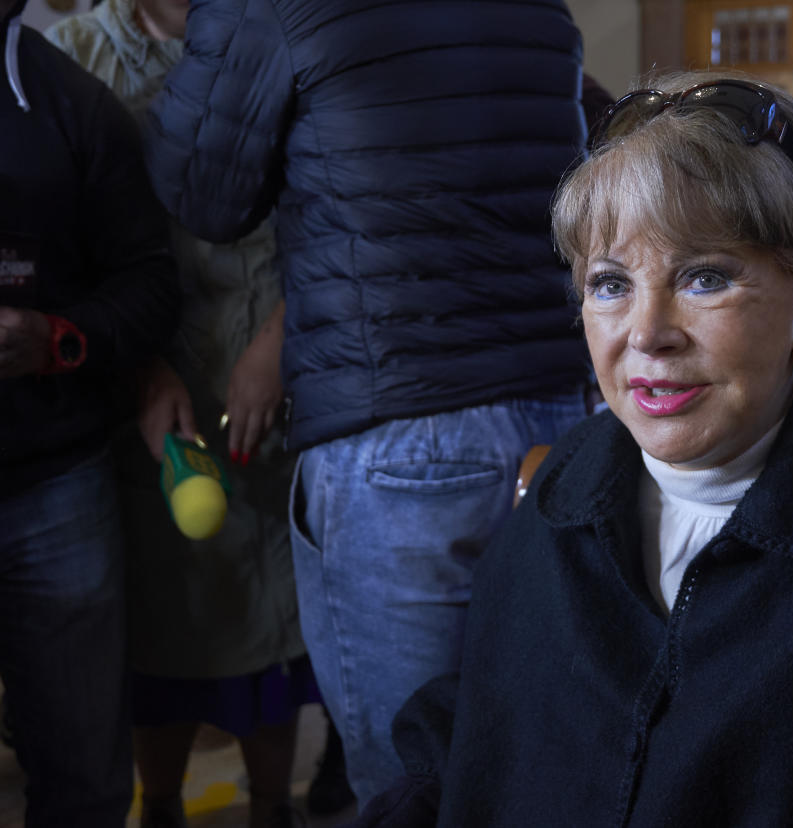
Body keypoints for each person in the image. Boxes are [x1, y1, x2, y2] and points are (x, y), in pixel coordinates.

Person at [350, 71, 793, 827]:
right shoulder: (567, 483)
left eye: (703, 278)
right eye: (610, 283)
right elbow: (466, 745)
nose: (645, 332)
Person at [141, 0, 593, 806]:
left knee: (410, 784)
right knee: (544, 756)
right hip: (560, 423)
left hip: (397, 430)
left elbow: (202, 194)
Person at [43, 1, 322, 825]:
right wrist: (136, 368)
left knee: (273, 624)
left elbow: (335, 207)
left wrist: (277, 344)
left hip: (276, 379)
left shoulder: (292, 33)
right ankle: (159, 804)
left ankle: (273, 807)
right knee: (163, 629)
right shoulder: (76, 56)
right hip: (143, 394)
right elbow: (60, 243)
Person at [0, 0, 180, 824]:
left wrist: (57, 338)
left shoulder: (72, 101)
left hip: (55, 485)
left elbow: (150, 286)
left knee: (83, 781)